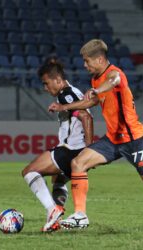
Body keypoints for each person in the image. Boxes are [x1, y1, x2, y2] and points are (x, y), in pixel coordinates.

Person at [48, 39, 143, 231]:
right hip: (113, 140)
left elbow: (113, 81)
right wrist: (64, 106)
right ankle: (80, 215)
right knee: (78, 163)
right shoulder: (95, 79)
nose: (84, 65)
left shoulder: (115, 74)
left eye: (87, 61)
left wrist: (97, 90)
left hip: (134, 140)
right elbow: (89, 103)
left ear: (99, 59)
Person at [22, 59, 94, 232]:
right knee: (58, 180)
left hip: (71, 150)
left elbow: (85, 117)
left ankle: (52, 210)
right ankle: (56, 215)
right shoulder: (74, 92)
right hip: (78, 151)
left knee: (29, 171)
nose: (45, 88)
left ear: (58, 80)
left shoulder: (65, 94)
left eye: (46, 83)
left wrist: (90, 149)